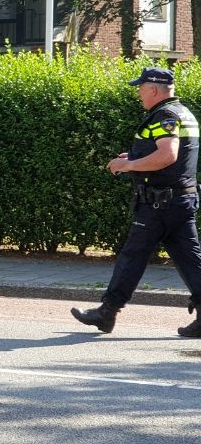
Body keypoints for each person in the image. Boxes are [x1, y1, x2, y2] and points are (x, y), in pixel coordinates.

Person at [72, 67, 201, 335]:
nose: (139, 94)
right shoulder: (183, 113)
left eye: (141, 88)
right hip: (181, 200)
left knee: (133, 256)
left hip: (159, 204)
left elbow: (167, 156)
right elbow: (164, 155)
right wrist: (135, 156)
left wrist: (129, 164)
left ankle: (107, 312)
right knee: (190, 260)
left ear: (153, 89)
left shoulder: (163, 115)